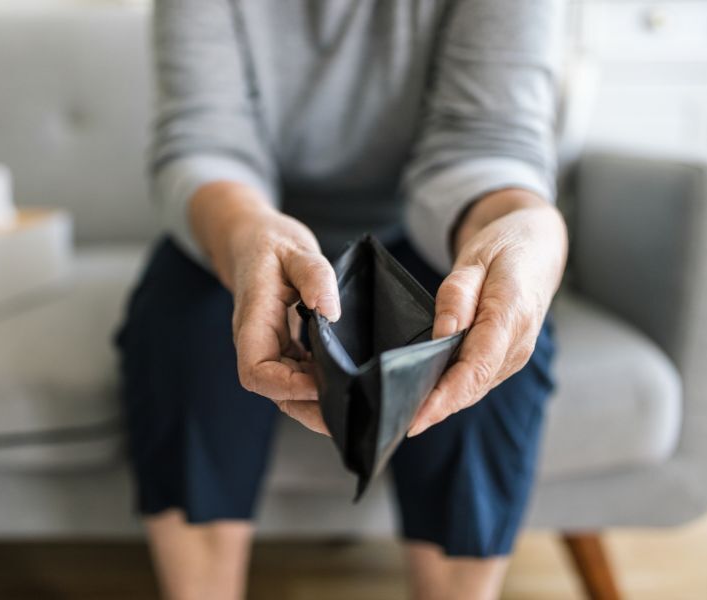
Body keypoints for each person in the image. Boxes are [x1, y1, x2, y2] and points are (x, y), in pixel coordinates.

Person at [114, 1, 567, 598]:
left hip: (427, 225)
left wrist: (530, 226)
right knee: (182, 326)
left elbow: (485, 141)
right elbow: (204, 139)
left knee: (479, 332)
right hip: (248, 222)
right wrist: (248, 232)